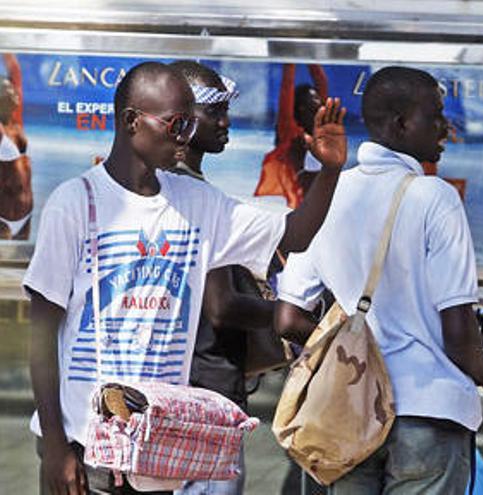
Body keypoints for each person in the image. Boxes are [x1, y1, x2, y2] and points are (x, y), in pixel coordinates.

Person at [25, 61, 347, 495]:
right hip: (84, 445)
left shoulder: (198, 203)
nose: (186, 136)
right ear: (131, 121)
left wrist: (329, 172)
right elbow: (42, 332)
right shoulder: (75, 203)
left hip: (156, 448)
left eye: (189, 124)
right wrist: (58, 448)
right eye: (176, 123)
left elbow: (294, 234)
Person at [273, 66, 483, 495]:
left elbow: (287, 319)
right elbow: (457, 329)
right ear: (400, 124)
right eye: (434, 115)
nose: (445, 127)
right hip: (428, 410)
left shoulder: (328, 196)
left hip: (348, 410)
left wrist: (352, 353)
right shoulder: (435, 197)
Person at [166, 60, 280, 495]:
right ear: (181, 116)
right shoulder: (194, 197)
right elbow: (222, 304)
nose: (225, 122)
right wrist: (284, 314)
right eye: (214, 111)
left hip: (182, 388)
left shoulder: (160, 189)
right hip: (207, 391)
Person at [254, 64, 328, 208]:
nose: (320, 101)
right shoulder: (289, 130)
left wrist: (311, 57)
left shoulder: (320, 126)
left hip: (318, 200)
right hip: (293, 203)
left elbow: (321, 81)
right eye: (315, 98)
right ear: (302, 106)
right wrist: (291, 59)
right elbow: (287, 87)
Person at [0, 53, 32, 240]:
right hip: (3, 217)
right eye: (7, 91)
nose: (14, 93)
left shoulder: (15, 124)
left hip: (25, 215)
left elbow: (16, 76)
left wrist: (8, 52)